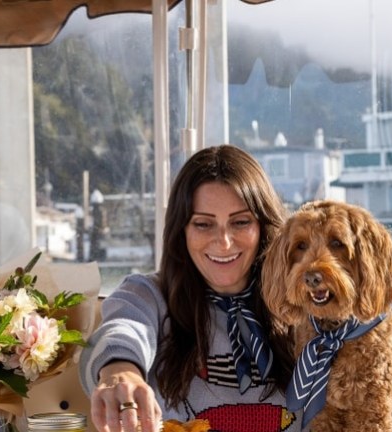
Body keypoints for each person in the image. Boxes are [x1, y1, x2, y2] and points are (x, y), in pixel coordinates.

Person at [79, 144, 302, 432]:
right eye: (203, 224)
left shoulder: (304, 301)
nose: (223, 242)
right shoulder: (150, 295)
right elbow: (123, 328)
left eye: (241, 222)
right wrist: (120, 371)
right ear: (181, 230)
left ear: (262, 226)